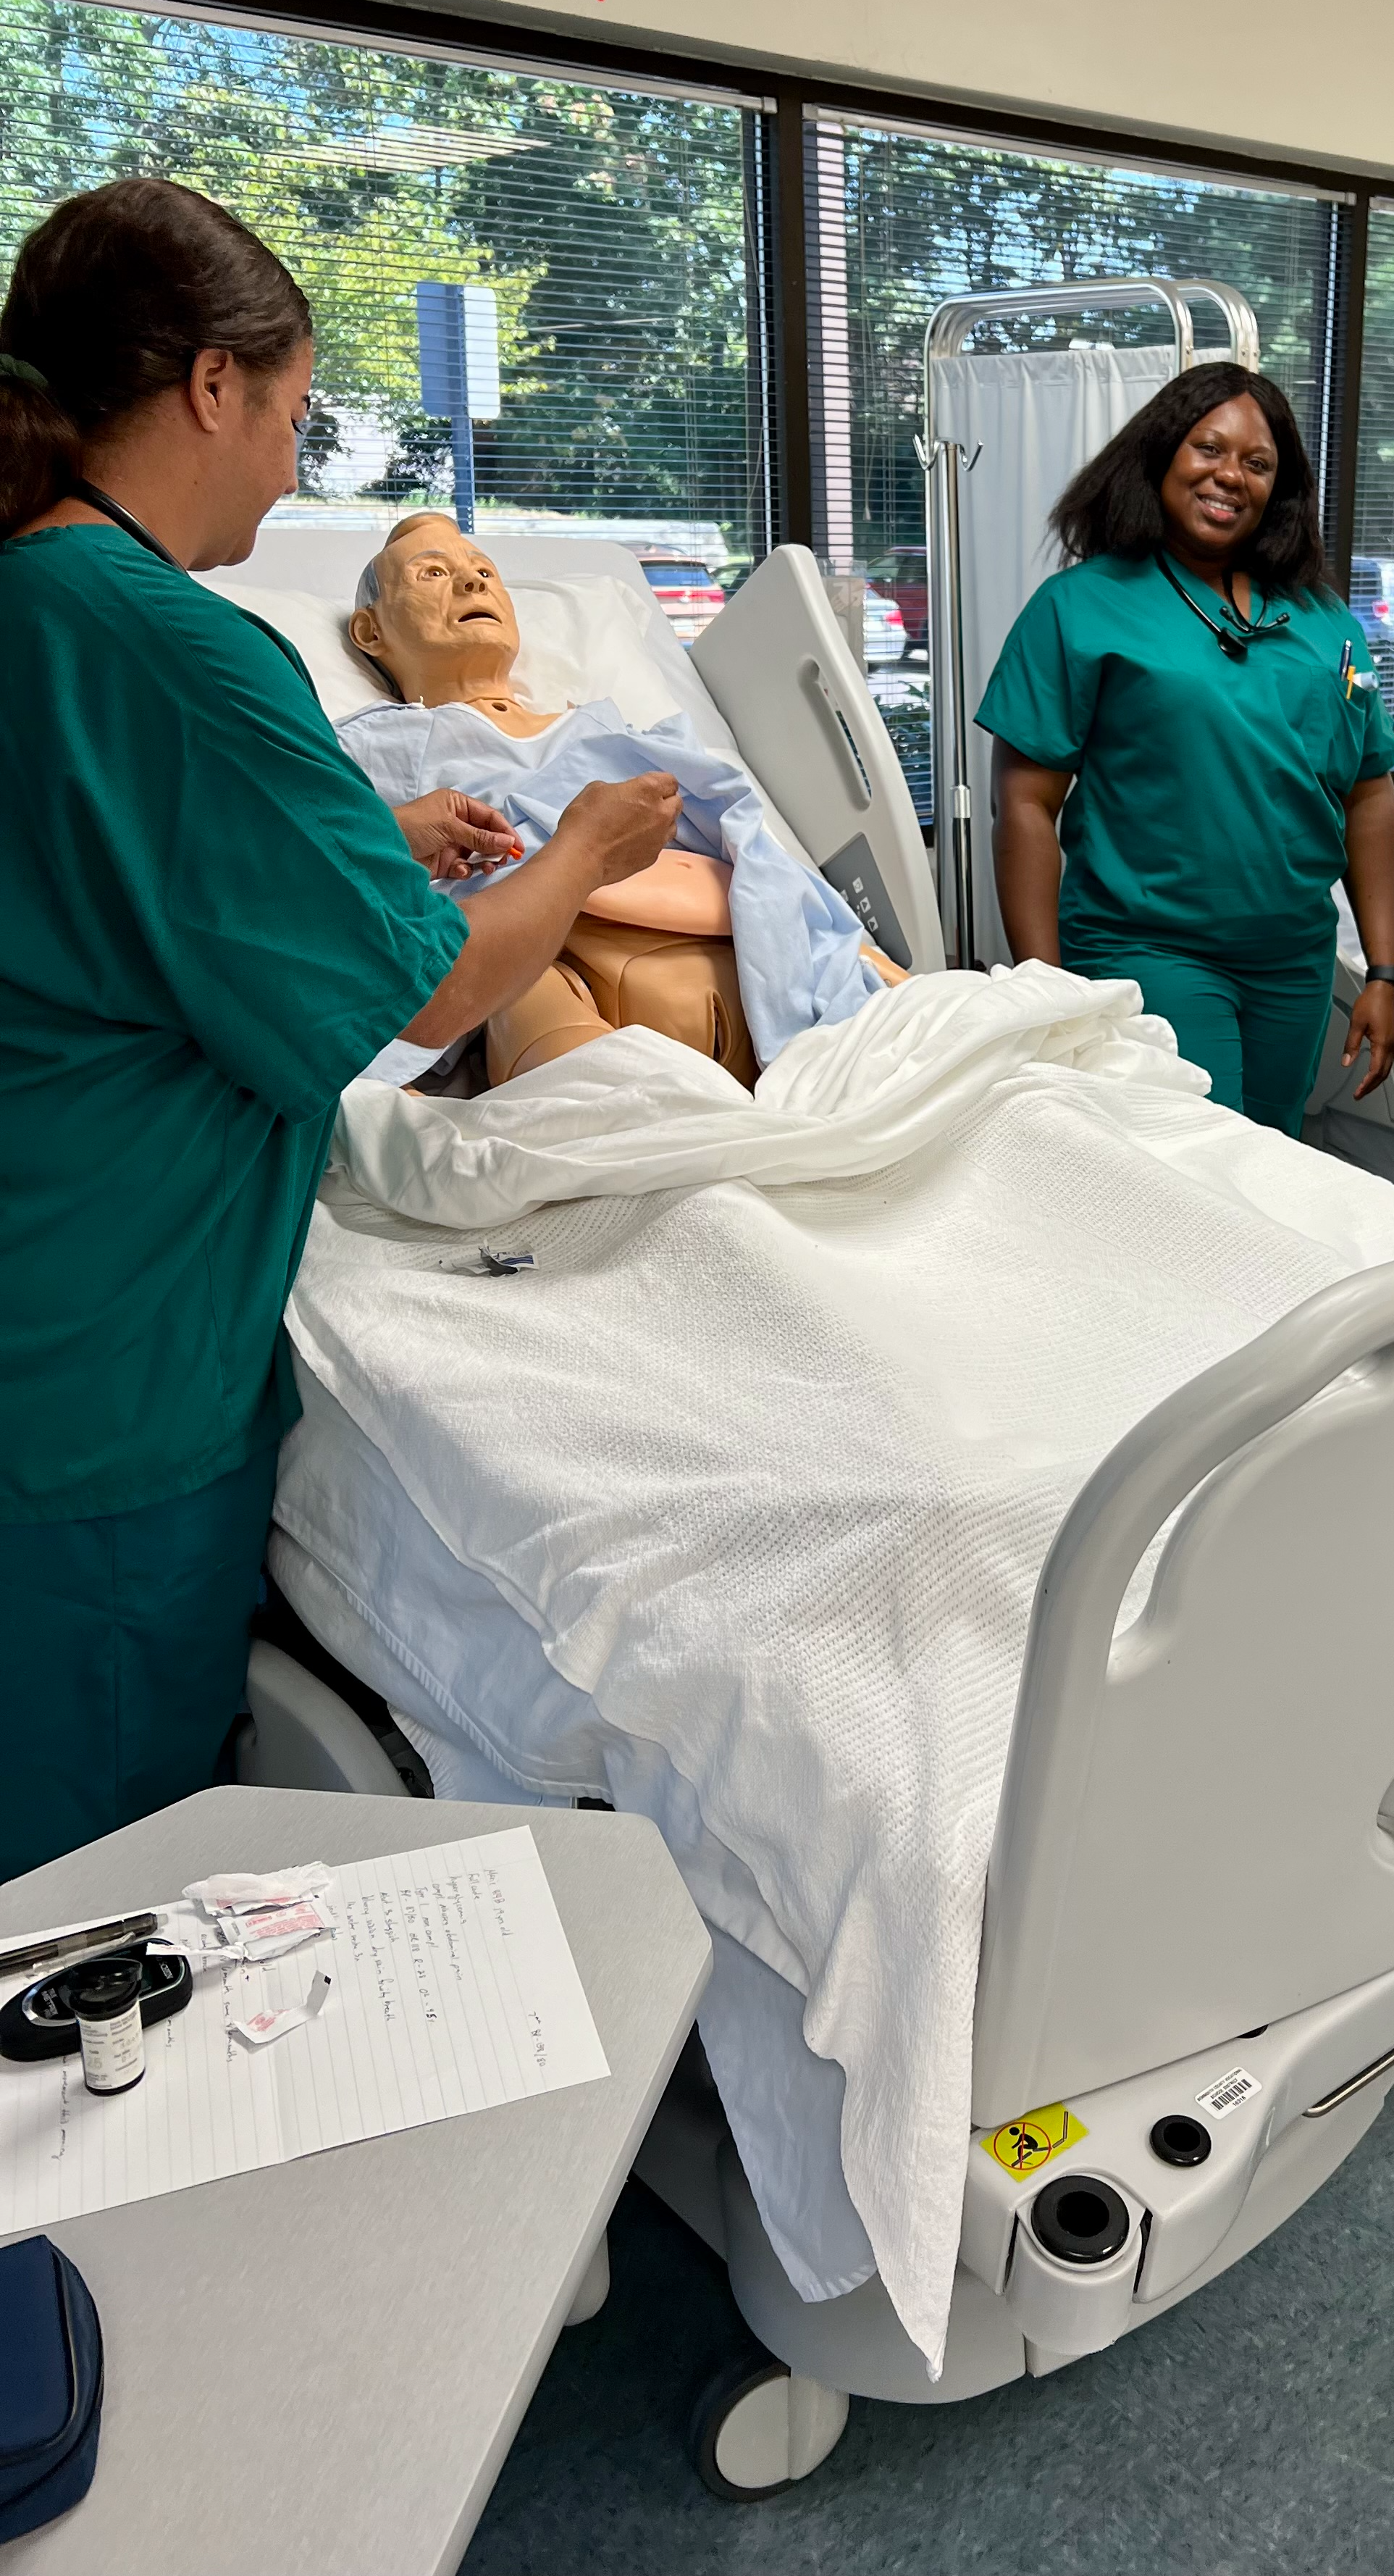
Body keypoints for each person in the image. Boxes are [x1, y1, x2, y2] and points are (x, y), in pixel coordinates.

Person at [0, 178, 682, 1880]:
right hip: (110, 1365)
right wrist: (589, 846)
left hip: (49, 1286)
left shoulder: (33, 604)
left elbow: (109, 875)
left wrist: (363, 852)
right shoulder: (188, 654)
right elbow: (439, 993)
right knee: (84, 1884)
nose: (295, 464)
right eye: (297, 415)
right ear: (209, 388)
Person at [978, 364, 1394, 1137]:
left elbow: (1367, 794)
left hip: (1293, 960)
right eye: (1209, 448)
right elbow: (1025, 806)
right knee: (1203, 1167)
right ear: (1162, 454)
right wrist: (1045, 986)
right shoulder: (1081, 607)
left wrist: (1384, 971)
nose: (1230, 476)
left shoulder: (1323, 620)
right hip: (1150, 947)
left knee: (1276, 1159)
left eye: (1258, 463)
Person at [340, 512, 894, 1087]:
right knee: (550, 1032)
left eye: (484, 571)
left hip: (757, 969)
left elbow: (751, 844)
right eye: (432, 573)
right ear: (370, 632)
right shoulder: (378, 741)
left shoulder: (618, 732)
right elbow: (329, 872)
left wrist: (860, 955)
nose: (473, 583)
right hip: (553, 971)